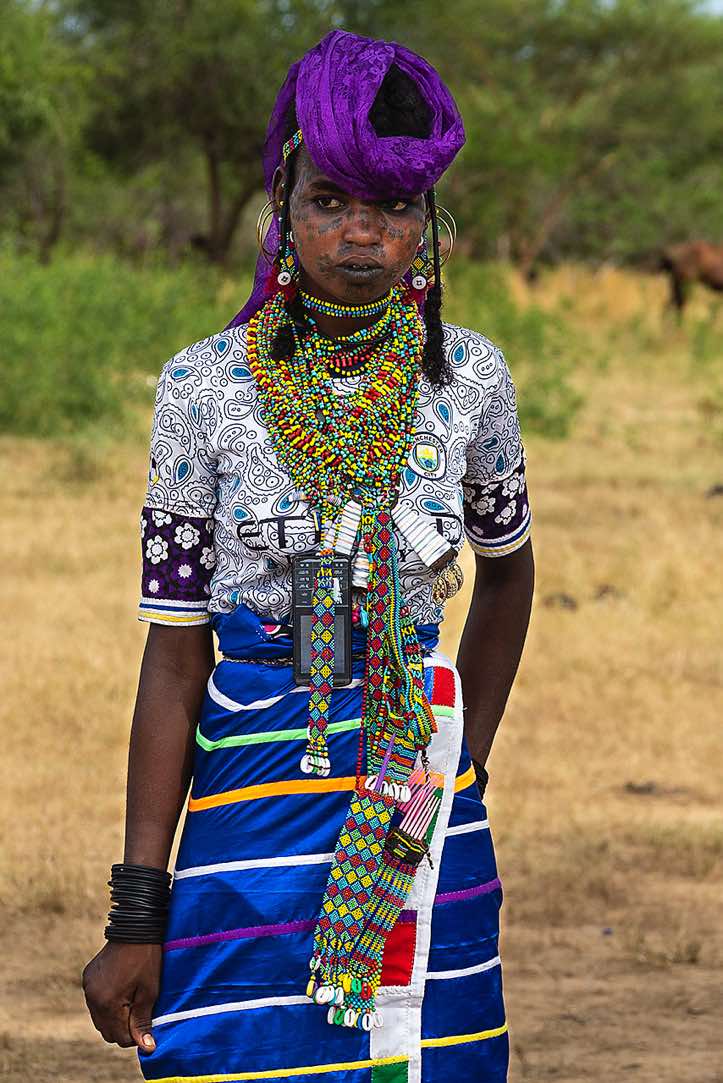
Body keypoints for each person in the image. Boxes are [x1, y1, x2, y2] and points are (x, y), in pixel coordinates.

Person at [82, 28, 534, 1083]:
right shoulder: (203, 386)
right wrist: (138, 908)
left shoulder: (469, 378)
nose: (362, 235)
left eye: (392, 208)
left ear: (430, 223)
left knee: (426, 1051)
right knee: (234, 1054)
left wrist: (459, 757)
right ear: (283, 207)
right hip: (250, 793)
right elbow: (175, 648)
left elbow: (509, 572)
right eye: (332, 201)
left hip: (416, 784)